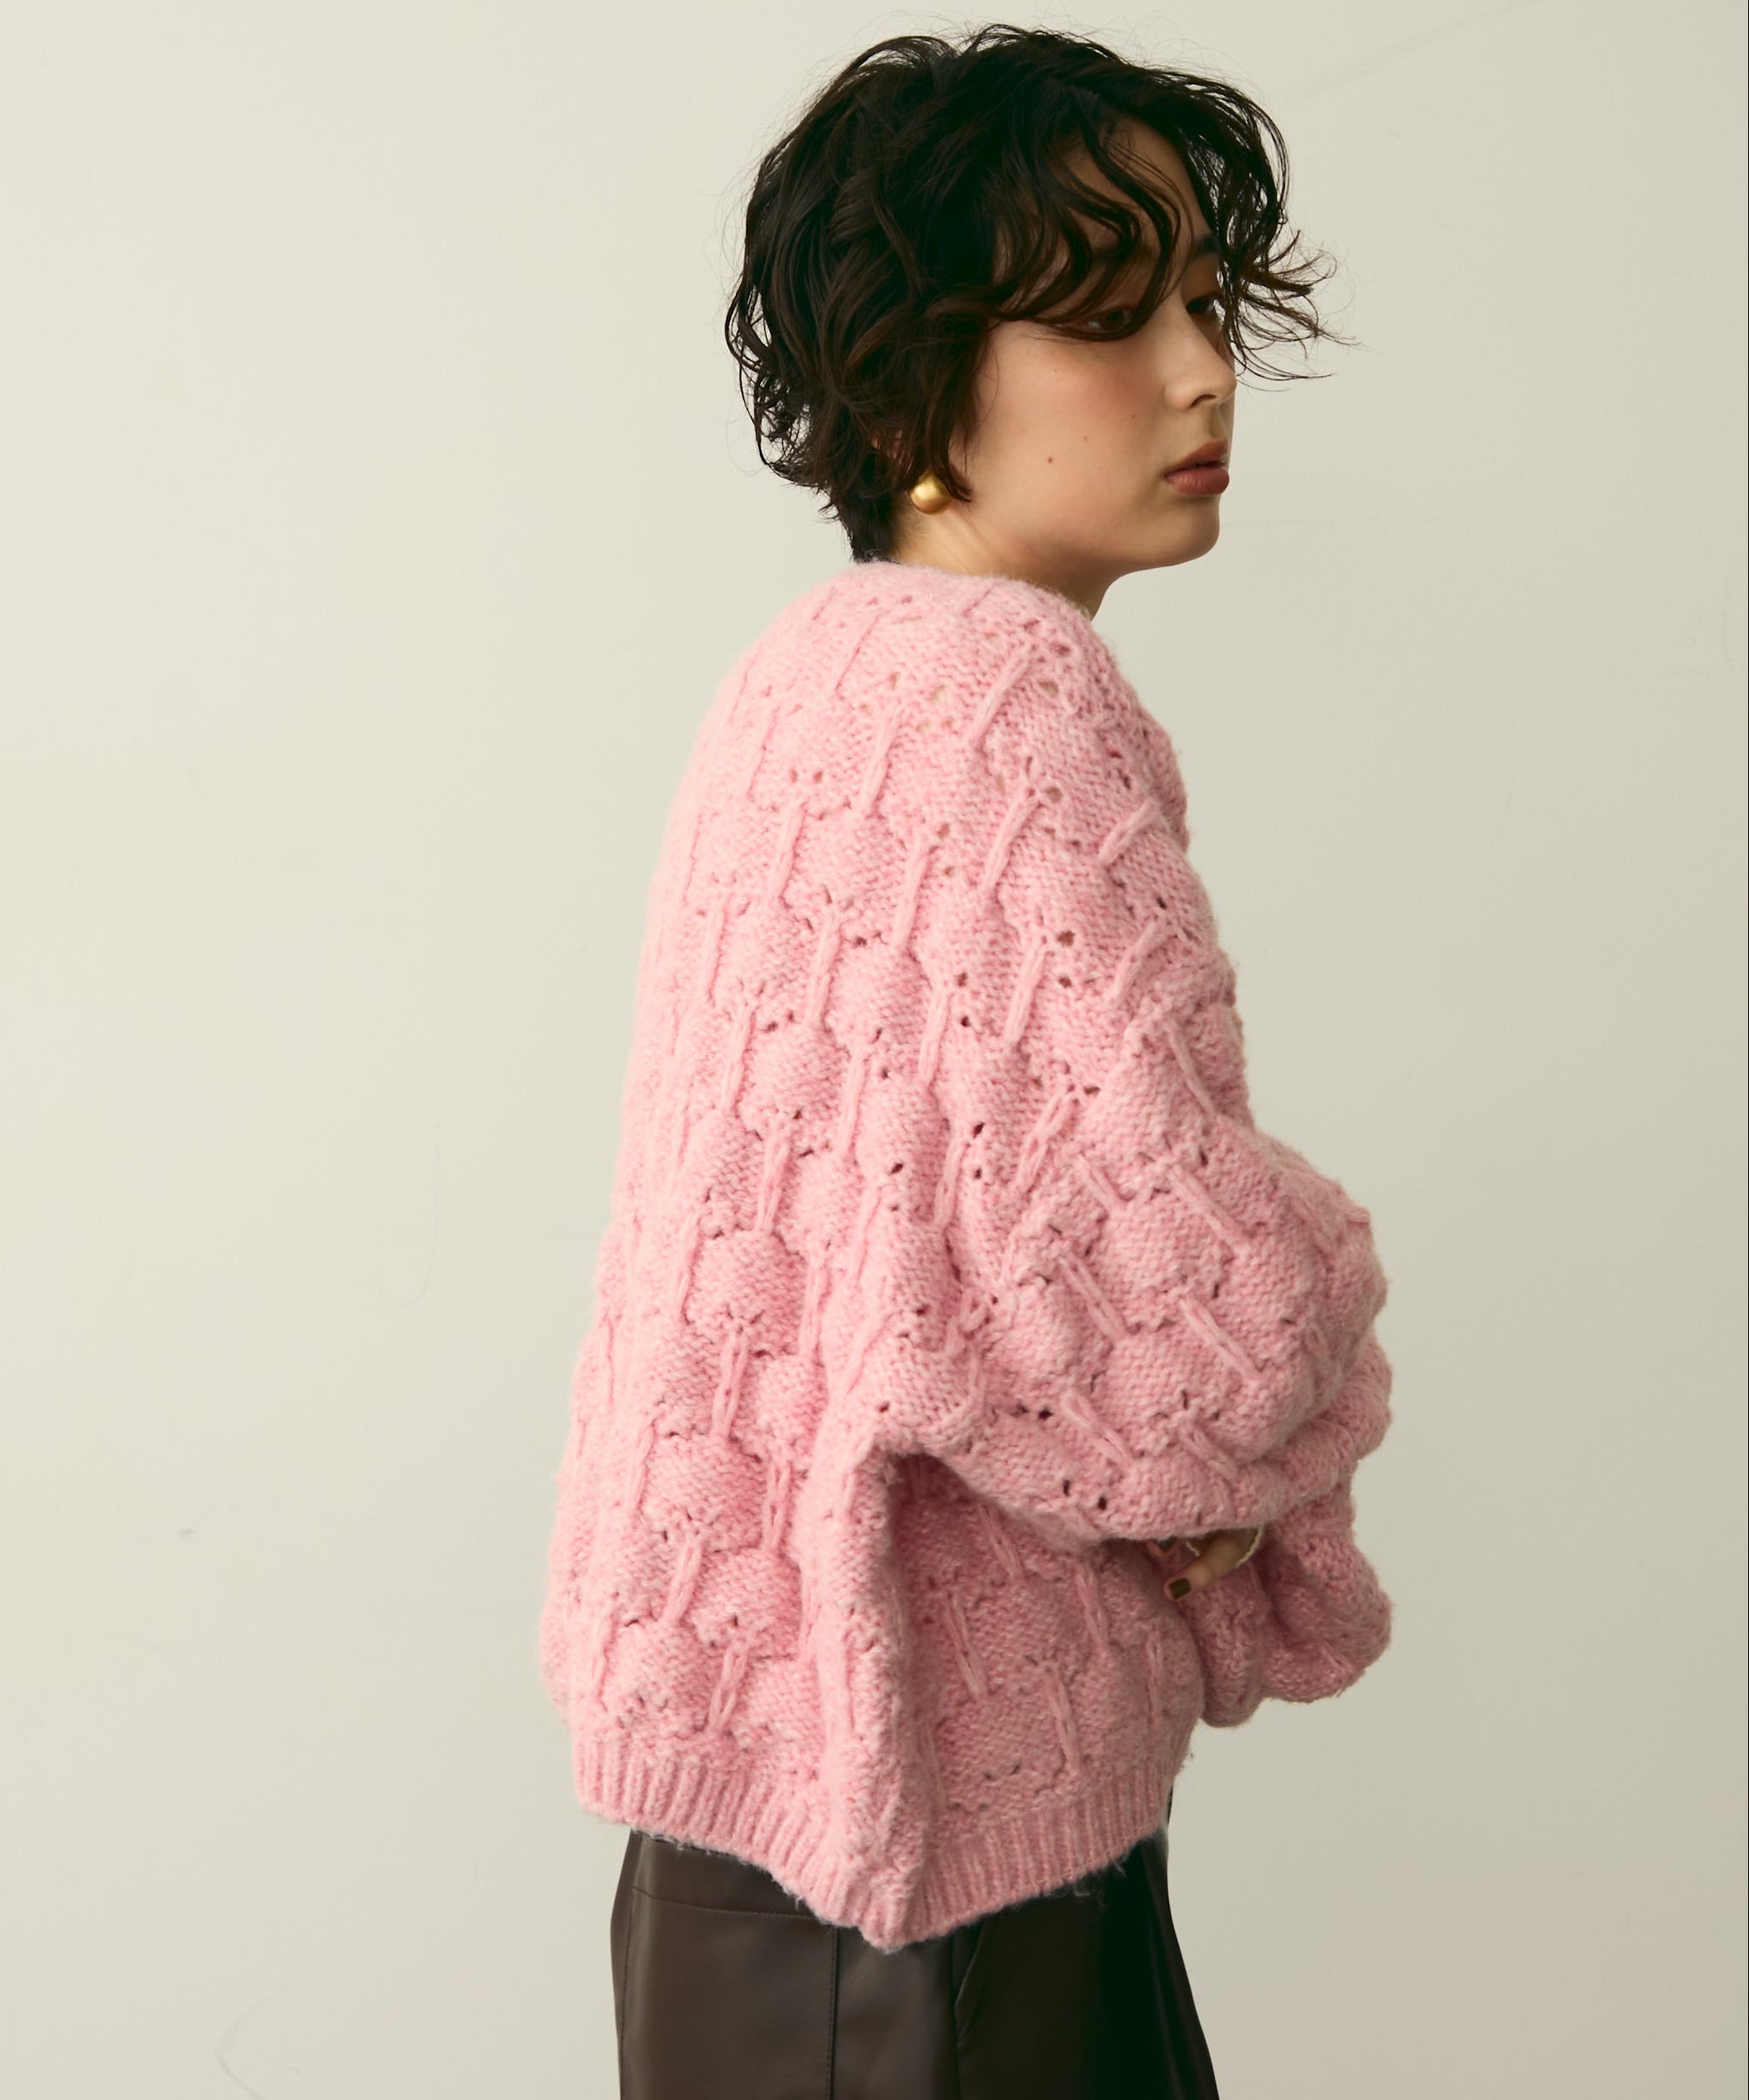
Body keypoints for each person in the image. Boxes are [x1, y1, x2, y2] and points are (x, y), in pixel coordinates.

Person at [538, 26, 1395, 2097]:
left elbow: (949, 1263)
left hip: (761, 1848)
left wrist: (1187, 1454)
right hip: (943, 1884)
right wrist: (1305, 1371)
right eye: (1111, 316)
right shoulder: (1014, 696)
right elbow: (1207, 1318)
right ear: (916, 385)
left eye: (1207, 302)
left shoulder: (805, 679)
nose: (1200, 373)